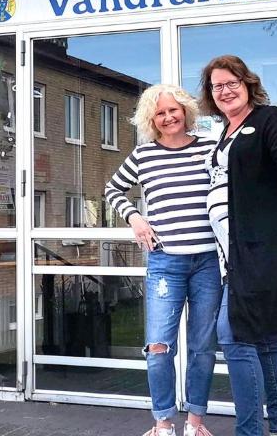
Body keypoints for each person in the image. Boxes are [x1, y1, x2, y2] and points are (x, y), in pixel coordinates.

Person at [198, 56, 277, 436]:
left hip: (261, 248)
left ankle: (249, 430)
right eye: (217, 86)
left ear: (247, 83)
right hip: (233, 252)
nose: (225, 90)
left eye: (231, 82)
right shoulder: (223, 132)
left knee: (232, 333)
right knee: (266, 338)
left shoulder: (268, 119)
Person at [104, 84, 221, 436]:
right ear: (150, 119)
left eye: (174, 110)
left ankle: (196, 422)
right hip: (164, 262)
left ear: (185, 111)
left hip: (208, 262)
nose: (168, 117)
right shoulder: (144, 155)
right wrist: (135, 217)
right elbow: (112, 189)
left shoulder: (209, 148)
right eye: (160, 113)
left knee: (202, 347)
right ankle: (164, 422)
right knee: (158, 347)